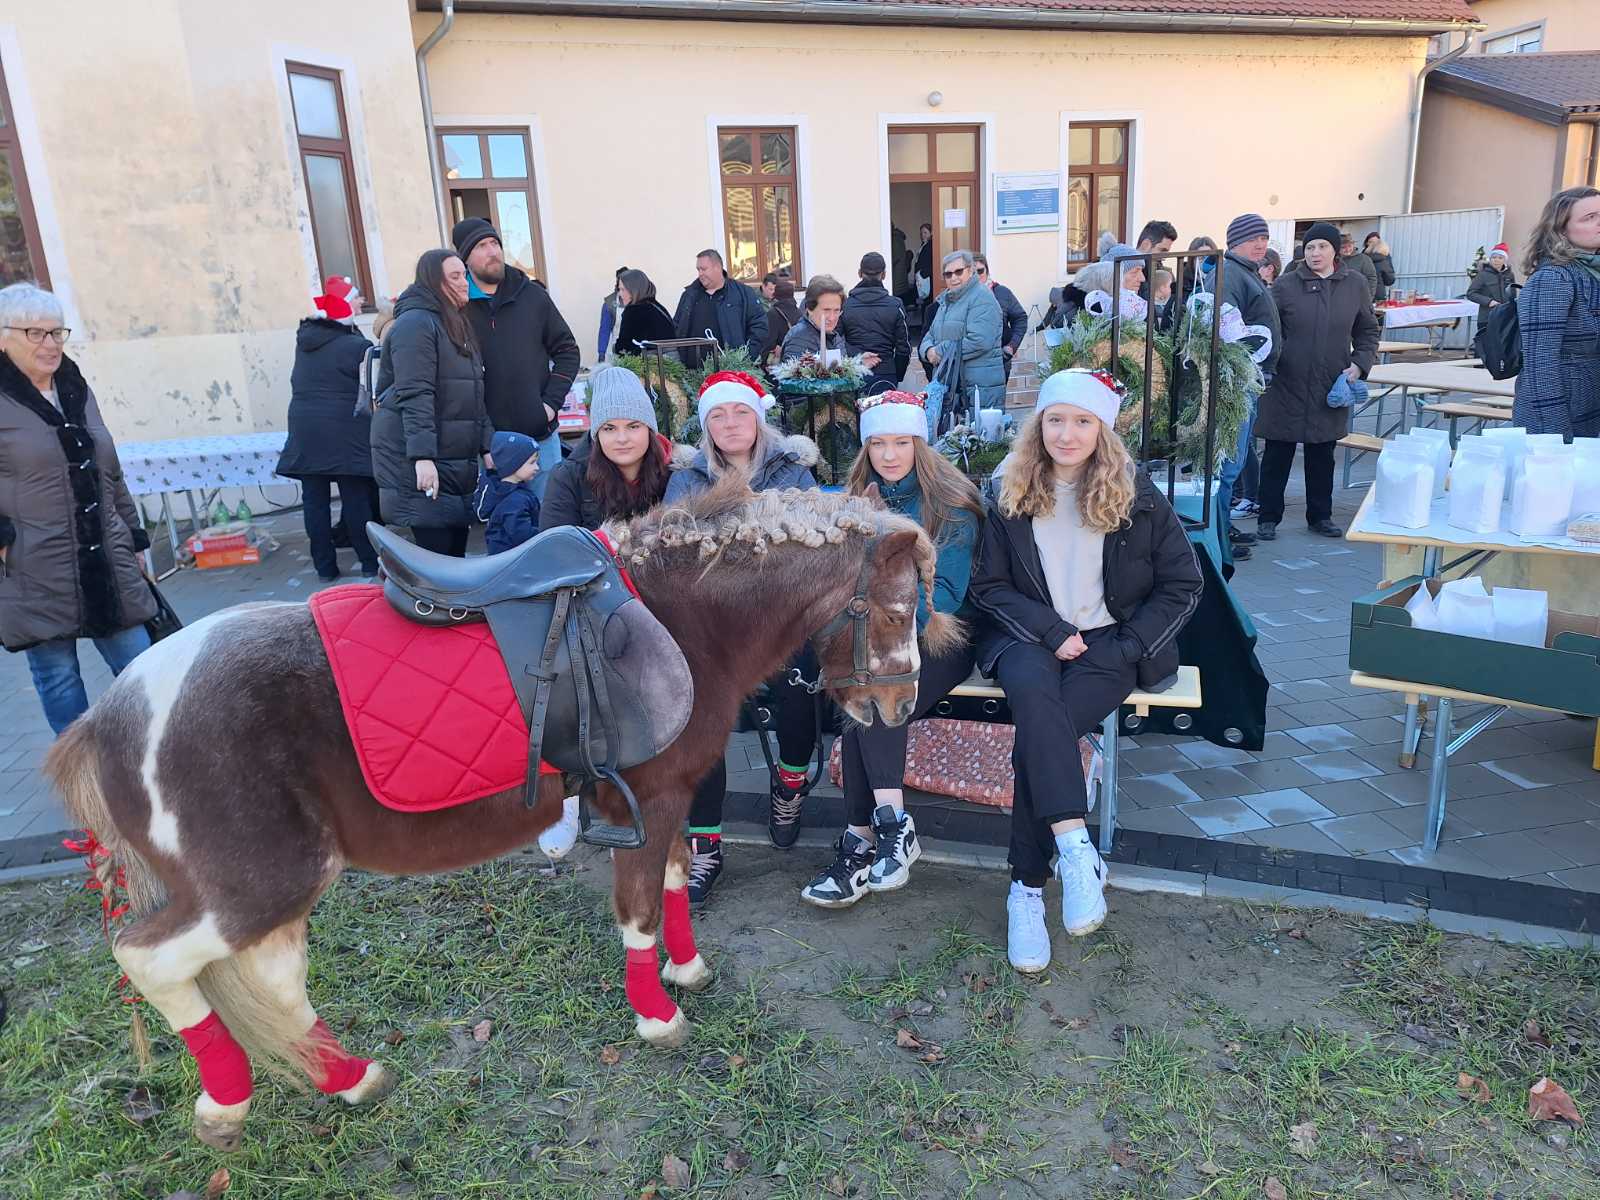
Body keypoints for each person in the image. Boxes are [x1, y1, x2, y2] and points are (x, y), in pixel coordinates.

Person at [971, 369, 1202, 973]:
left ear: (1102, 430)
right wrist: (1052, 633)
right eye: (1055, 419)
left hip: (1111, 644)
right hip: (1028, 638)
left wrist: (1128, 646)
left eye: (1082, 422)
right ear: (1037, 426)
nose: (1067, 434)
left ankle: (1025, 886)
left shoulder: (1137, 495)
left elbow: (1183, 585)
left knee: (1036, 743)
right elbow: (988, 585)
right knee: (1033, 699)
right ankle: (1074, 847)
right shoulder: (1008, 491)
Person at [800, 391, 981, 908]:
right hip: (874, 632)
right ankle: (879, 833)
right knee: (863, 688)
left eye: (902, 442)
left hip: (939, 635)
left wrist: (873, 609)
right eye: (878, 443)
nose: (890, 453)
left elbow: (943, 596)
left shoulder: (954, 505)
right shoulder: (854, 500)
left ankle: (864, 840)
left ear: (920, 444)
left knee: (873, 693)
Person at [661, 371, 820, 901]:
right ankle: (706, 843)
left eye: (740, 412)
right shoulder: (689, 476)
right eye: (718, 415)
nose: (731, 424)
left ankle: (790, 785)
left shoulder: (792, 472)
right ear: (706, 425)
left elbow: (808, 547)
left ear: (759, 417)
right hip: (713, 624)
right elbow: (678, 548)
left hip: (780, 616)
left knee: (800, 690)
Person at [0, 282, 157, 734]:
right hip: (33, 562)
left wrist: (135, 536)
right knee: (57, 676)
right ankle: (82, 780)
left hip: (105, 557)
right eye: (36, 333)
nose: (50, 345)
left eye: (56, 333)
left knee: (142, 667)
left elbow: (110, 470)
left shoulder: (75, 387)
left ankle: (150, 761)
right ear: (5, 337)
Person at [1255, 222, 1379, 541]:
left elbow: (1367, 331)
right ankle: (1268, 517)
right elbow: (1267, 330)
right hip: (1286, 384)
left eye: (1322, 246)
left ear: (1335, 250)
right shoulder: (1285, 285)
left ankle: (1320, 517)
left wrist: (1359, 365)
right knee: (1277, 454)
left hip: (1330, 383)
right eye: (1310, 247)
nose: (1315, 253)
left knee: (1322, 454)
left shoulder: (1355, 285)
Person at [370, 250, 491, 558]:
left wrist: (486, 446)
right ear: (433, 282)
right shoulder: (415, 324)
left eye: (464, 275)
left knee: (454, 560)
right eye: (455, 277)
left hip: (452, 460)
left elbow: (473, 392)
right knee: (436, 564)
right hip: (423, 460)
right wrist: (422, 457)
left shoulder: (454, 323)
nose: (465, 283)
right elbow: (415, 393)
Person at [452, 218, 579, 503]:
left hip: (540, 440)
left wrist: (549, 405)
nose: (492, 251)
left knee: (549, 522)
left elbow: (568, 351)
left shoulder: (532, 295)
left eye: (495, 243)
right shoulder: (458, 308)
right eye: (481, 246)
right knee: (505, 531)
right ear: (465, 257)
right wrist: (483, 441)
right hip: (490, 446)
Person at [274, 275, 381, 580]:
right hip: (345, 429)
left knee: (314, 501)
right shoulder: (357, 345)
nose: (361, 302)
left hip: (305, 427)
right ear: (347, 306)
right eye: (356, 298)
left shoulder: (304, 342)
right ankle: (369, 563)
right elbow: (370, 386)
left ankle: (325, 568)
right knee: (355, 499)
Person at [1211, 213, 1283, 564]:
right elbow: (1225, 334)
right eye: (1253, 238)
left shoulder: (1246, 273)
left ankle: (1223, 529)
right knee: (1228, 466)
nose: (1261, 245)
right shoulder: (1230, 277)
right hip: (1236, 385)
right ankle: (1219, 536)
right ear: (1234, 240)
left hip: (1248, 382)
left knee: (1233, 464)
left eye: (1265, 239)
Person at [539, 365, 679, 532]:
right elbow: (555, 547)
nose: (622, 439)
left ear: (649, 430)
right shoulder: (568, 478)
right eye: (609, 428)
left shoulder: (676, 472)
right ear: (597, 434)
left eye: (633, 426)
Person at [1515, 186, 1600, 438]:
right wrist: (1554, 434)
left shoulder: (1592, 272)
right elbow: (1540, 364)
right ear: (1561, 229)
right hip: (1559, 413)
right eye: (1589, 217)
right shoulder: (1553, 278)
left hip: (1590, 405)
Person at [921, 250, 1005, 415]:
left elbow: (980, 341)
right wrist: (928, 351)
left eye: (958, 272)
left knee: (981, 438)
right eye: (948, 274)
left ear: (971, 270)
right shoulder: (946, 300)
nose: (953, 277)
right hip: (952, 386)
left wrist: (939, 351)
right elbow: (930, 335)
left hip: (979, 388)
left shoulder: (982, 297)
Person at [672, 248, 766, 368]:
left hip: (731, 371)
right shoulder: (689, 295)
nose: (700, 274)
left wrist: (747, 357)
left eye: (704, 269)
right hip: (693, 372)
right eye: (698, 269)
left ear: (718, 268)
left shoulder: (743, 293)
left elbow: (759, 325)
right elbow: (677, 326)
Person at [839, 252, 911, 393]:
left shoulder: (845, 305)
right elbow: (904, 348)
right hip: (886, 373)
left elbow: (836, 341)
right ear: (883, 275)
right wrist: (897, 375)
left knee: (853, 414)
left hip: (854, 372)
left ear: (860, 273)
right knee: (883, 415)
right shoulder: (895, 305)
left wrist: (857, 355)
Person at [781, 275, 879, 372]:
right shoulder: (799, 338)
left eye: (836, 310)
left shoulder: (833, 335)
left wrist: (858, 362)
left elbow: (837, 370)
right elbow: (797, 382)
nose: (832, 318)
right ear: (810, 309)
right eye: (826, 310)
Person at [472, 430, 541, 555]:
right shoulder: (515, 500)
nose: (537, 467)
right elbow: (522, 536)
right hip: (512, 561)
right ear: (513, 465)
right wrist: (547, 535)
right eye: (532, 462)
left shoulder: (506, 492)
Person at [974, 253, 1028, 381]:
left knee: (996, 400)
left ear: (987, 271)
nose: (977, 276)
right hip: (971, 364)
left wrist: (1011, 346)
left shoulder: (1002, 292)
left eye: (980, 271)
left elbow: (1020, 319)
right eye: (972, 272)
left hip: (1000, 362)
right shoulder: (961, 297)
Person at [613, 268, 676, 357]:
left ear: (634, 290)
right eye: (619, 289)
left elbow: (623, 348)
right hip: (671, 362)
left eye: (623, 289)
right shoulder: (655, 306)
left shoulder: (634, 311)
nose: (620, 294)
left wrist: (614, 348)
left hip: (651, 365)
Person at [1467, 243, 1517, 326]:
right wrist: (1489, 302)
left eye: (1500, 258)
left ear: (1505, 260)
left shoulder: (1509, 275)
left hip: (1506, 318)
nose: (1496, 260)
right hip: (1487, 318)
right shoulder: (1483, 274)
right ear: (1490, 259)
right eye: (1494, 257)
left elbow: (1513, 294)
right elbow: (1471, 293)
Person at [760, 276, 801, 367]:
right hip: (797, 360)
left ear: (776, 295)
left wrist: (763, 361)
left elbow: (769, 341)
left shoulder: (773, 313)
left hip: (780, 364)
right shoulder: (799, 312)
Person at [597, 267, 627, 364]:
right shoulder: (609, 304)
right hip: (616, 352)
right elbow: (604, 331)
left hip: (637, 351)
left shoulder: (637, 301)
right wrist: (601, 354)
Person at [1339, 231, 1380, 304]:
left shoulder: (1364, 259)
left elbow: (1372, 279)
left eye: (1349, 246)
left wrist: (1368, 299)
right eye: (1343, 247)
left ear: (1353, 245)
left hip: (1358, 299)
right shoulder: (1333, 260)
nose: (1347, 249)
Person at [1363, 233, 1396, 303]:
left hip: (1362, 294)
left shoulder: (1361, 258)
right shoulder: (1385, 258)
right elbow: (1389, 280)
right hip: (1379, 296)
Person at [914, 223, 935, 306]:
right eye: (921, 233)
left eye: (925, 233)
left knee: (927, 299)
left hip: (926, 277)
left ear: (931, 233)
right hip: (922, 277)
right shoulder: (924, 244)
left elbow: (930, 262)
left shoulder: (931, 245)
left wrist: (922, 274)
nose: (922, 235)